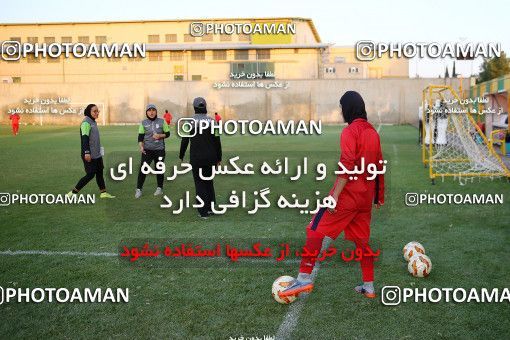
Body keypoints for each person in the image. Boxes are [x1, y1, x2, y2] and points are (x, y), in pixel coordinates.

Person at [279, 91, 385, 300]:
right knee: (362, 242)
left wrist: (334, 196)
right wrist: (378, 196)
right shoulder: (373, 132)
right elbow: (379, 166)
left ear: (347, 108)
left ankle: (303, 278)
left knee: (314, 229)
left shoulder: (349, 131)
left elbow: (347, 163)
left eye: (341, 107)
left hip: (348, 195)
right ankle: (369, 286)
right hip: (365, 199)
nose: (340, 111)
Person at [179, 97, 222, 218]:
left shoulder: (189, 122)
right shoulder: (212, 122)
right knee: (208, 182)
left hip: (197, 159)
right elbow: (217, 141)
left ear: (194, 107)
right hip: (211, 158)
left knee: (199, 184)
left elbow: (184, 140)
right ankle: (211, 209)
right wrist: (219, 158)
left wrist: (181, 155)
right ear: (205, 107)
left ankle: (203, 212)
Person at [68, 104, 115, 198]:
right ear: (89, 112)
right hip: (89, 154)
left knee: (99, 173)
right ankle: (72, 193)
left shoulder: (93, 122)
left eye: (98, 111)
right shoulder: (86, 123)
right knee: (90, 175)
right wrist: (87, 152)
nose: (97, 113)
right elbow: (85, 139)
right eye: (95, 111)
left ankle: (103, 193)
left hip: (97, 154)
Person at [135, 104, 170, 198]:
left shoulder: (162, 121)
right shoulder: (143, 123)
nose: (151, 112)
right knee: (143, 169)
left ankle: (159, 188)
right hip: (147, 150)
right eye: (149, 110)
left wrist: (160, 136)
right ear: (146, 112)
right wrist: (141, 147)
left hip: (159, 150)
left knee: (159, 169)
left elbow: (168, 134)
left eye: (153, 110)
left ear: (156, 111)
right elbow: (140, 137)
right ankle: (138, 189)